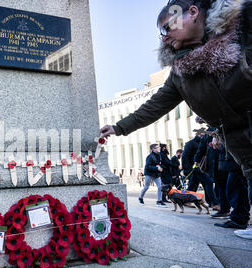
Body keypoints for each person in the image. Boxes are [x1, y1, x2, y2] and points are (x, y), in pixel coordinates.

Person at [100, 0, 252, 228]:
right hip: (244, 149)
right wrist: (119, 127)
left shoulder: (243, 28)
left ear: (192, 13)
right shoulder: (180, 73)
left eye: (167, 27)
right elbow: (155, 106)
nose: (163, 36)